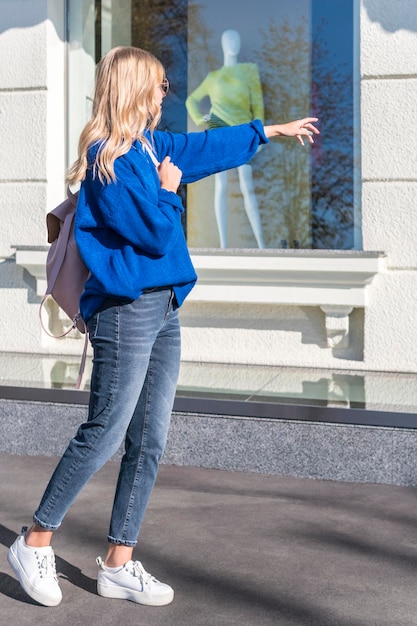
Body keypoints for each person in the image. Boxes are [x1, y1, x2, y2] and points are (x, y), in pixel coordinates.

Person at [7, 45, 319, 608]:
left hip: (164, 307)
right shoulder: (108, 160)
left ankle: (119, 563)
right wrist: (171, 192)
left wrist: (269, 130)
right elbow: (151, 234)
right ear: (132, 88)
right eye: (157, 84)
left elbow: (206, 146)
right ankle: (35, 540)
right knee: (104, 431)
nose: (164, 93)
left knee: (148, 441)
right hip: (125, 312)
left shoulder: (154, 146)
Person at [186, 29, 265, 248]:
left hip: (243, 131)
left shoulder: (249, 71)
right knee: (221, 186)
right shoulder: (214, 77)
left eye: (236, 38)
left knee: (246, 185)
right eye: (229, 39)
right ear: (221, 44)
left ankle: (261, 244)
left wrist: (260, 135)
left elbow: (258, 105)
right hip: (219, 131)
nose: (233, 43)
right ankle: (223, 245)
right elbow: (191, 100)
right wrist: (202, 120)